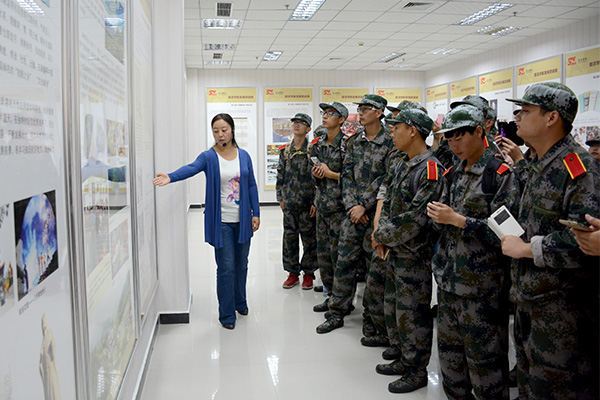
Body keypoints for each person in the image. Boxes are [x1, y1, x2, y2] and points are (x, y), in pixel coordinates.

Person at [501, 82, 599, 399]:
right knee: (529, 383)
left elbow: (584, 240)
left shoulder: (579, 168)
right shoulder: (534, 165)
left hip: (562, 311)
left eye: (525, 110)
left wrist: (527, 249)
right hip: (528, 299)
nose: (517, 117)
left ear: (551, 117)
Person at [427, 104, 518, 400]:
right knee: (451, 366)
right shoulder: (453, 173)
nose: (454, 144)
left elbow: (509, 236)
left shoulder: (499, 175)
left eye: (460, 136)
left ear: (480, 132)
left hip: (483, 291)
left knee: (487, 370)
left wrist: (460, 221)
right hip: (449, 285)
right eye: (449, 138)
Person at [153, 113, 260, 330]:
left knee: (242, 264)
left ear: (232, 130)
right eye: (216, 131)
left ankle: (240, 302)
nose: (220, 134)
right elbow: (191, 168)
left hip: (243, 221)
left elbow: (251, 185)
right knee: (226, 268)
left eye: (224, 130)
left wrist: (255, 213)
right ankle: (227, 314)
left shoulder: (244, 155)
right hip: (222, 222)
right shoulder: (209, 157)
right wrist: (170, 177)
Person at [371, 108, 444, 393]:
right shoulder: (403, 163)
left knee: (413, 313)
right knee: (395, 308)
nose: (392, 132)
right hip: (394, 250)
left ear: (413, 131)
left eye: (397, 127)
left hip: (414, 254)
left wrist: (382, 235)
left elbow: (417, 217)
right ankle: (403, 356)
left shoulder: (430, 169)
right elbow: (388, 201)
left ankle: (416, 370)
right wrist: (381, 235)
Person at [317, 94, 393, 334]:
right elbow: (346, 175)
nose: (360, 113)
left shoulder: (390, 143)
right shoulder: (353, 142)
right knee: (344, 264)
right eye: (359, 109)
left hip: (374, 216)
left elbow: (386, 179)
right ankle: (337, 312)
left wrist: (364, 206)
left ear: (379, 113)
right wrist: (352, 206)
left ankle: (372, 319)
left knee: (374, 271)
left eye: (366, 109)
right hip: (352, 215)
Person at [311, 102, 348, 313]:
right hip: (322, 207)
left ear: (341, 119)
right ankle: (330, 295)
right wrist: (317, 174)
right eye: (324, 113)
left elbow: (353, 178)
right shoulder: (318, 144)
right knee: (323, 255)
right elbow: (316, 179)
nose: (325, 116)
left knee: (339, 257)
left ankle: (342, 302)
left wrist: (330, 174)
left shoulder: (348, 145)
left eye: (330, 113)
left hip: (340, 209)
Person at [277, 113, 318, 290]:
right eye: (294, 122)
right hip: (290, 204)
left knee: (309, 241)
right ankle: (292, 273)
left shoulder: (313, 150)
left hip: (308, 205)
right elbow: (280, 176)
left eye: (301, 123)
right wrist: (280, 197)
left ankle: (308, 273)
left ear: (308, 129)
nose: (296, 125)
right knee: (289, 239)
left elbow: (318, 179)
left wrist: (316, 202)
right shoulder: (285, 151)